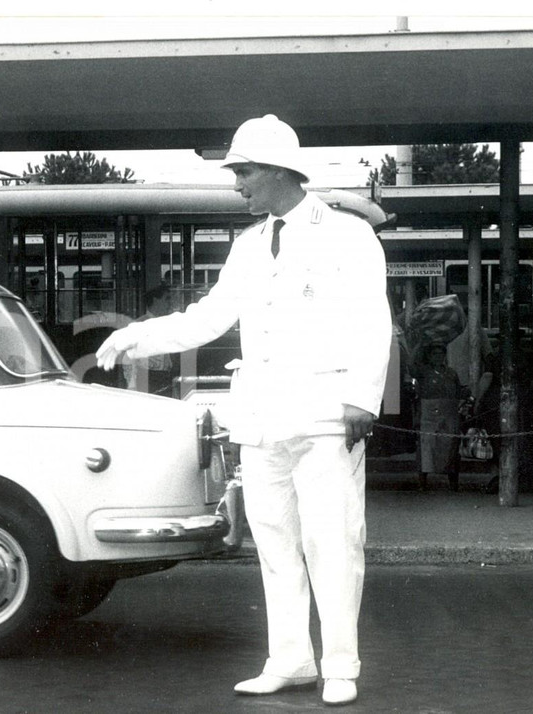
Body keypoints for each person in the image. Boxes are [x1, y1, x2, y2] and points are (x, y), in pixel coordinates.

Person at [96, 114, 391, 707]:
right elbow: (209, 317)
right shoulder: (249, 246)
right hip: (260, 419)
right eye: (235, 170)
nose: (237, 183)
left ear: (283, 171)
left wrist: (363, 397)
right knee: (276, 544)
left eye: (245, 170)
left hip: (326, 413)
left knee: (333, 542)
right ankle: (290, 659)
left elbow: (372, 319)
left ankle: (340, 665)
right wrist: (136, 336)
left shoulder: (348, 236)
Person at [409, 342, 467, 491]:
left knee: (451, 448)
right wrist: (419, 343)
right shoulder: (423, 372)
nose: (438, 357)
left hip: (449, 414)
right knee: (426, 448)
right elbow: (411, 366)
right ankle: (423, 484)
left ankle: (454, 485)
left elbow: (458, 392)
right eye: (435, 354)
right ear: (429, 356)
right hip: (428, 415)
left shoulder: (451, 373)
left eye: (441, 354)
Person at [120, 284, 176, 394]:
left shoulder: (167, 324)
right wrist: (132, 386)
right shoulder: (139, 325)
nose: (170, 303)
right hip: (145, 379)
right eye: (167, 299)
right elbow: (128, 359)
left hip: (165, 377)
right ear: (156, 300)